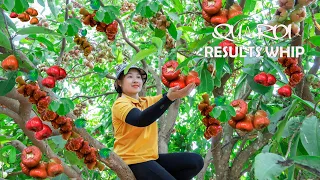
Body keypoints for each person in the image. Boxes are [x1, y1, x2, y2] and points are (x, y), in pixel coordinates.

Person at [111, 63, 204, 180]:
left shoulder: (146, 101)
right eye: (130, 77)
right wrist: (169, 98)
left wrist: (178, 92)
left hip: (151, 158)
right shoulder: (120, 103)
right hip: (133, 160)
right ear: (119, 82)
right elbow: (140, 119)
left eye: (138, 77)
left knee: (195, 162)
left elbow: (167, 97)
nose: (135, 80)